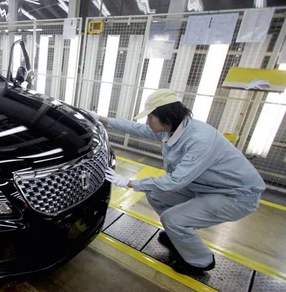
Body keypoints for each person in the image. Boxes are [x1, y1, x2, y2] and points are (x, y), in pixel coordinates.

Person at [93, 89, 265, 275]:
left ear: (166, 116)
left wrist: (129, 183)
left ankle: (200, 262)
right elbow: (136, 128)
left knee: (173, 219)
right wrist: (101, 118)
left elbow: (175, 181)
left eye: (150, 117)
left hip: (236, 195)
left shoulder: (199, 140)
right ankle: (179, 235)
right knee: (156, 194)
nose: (147, 122)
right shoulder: (172, 128)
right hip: (206, 187)